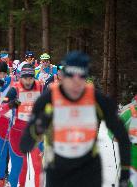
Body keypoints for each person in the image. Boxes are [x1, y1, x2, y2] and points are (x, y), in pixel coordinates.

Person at [20, 51, 131, 187]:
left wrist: (125, 174)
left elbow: (123, 136)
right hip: (58, 169)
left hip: (88, 170)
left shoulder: (97, 100)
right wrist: (38, 127)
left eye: (81, 77)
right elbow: (25, 145)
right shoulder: (48, 99)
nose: (75, 83)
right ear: (63, 75)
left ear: (86, 77)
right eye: (71, 76)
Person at [0, 64, 43, 187]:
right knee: (21, 166)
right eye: (25, 77)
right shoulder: (15, 89)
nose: (28, 80)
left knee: (38, 166)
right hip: (18, 132)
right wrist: (13, 104)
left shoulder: (40, 87)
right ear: (21, 77)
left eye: (31, 77)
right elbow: (1, 109)